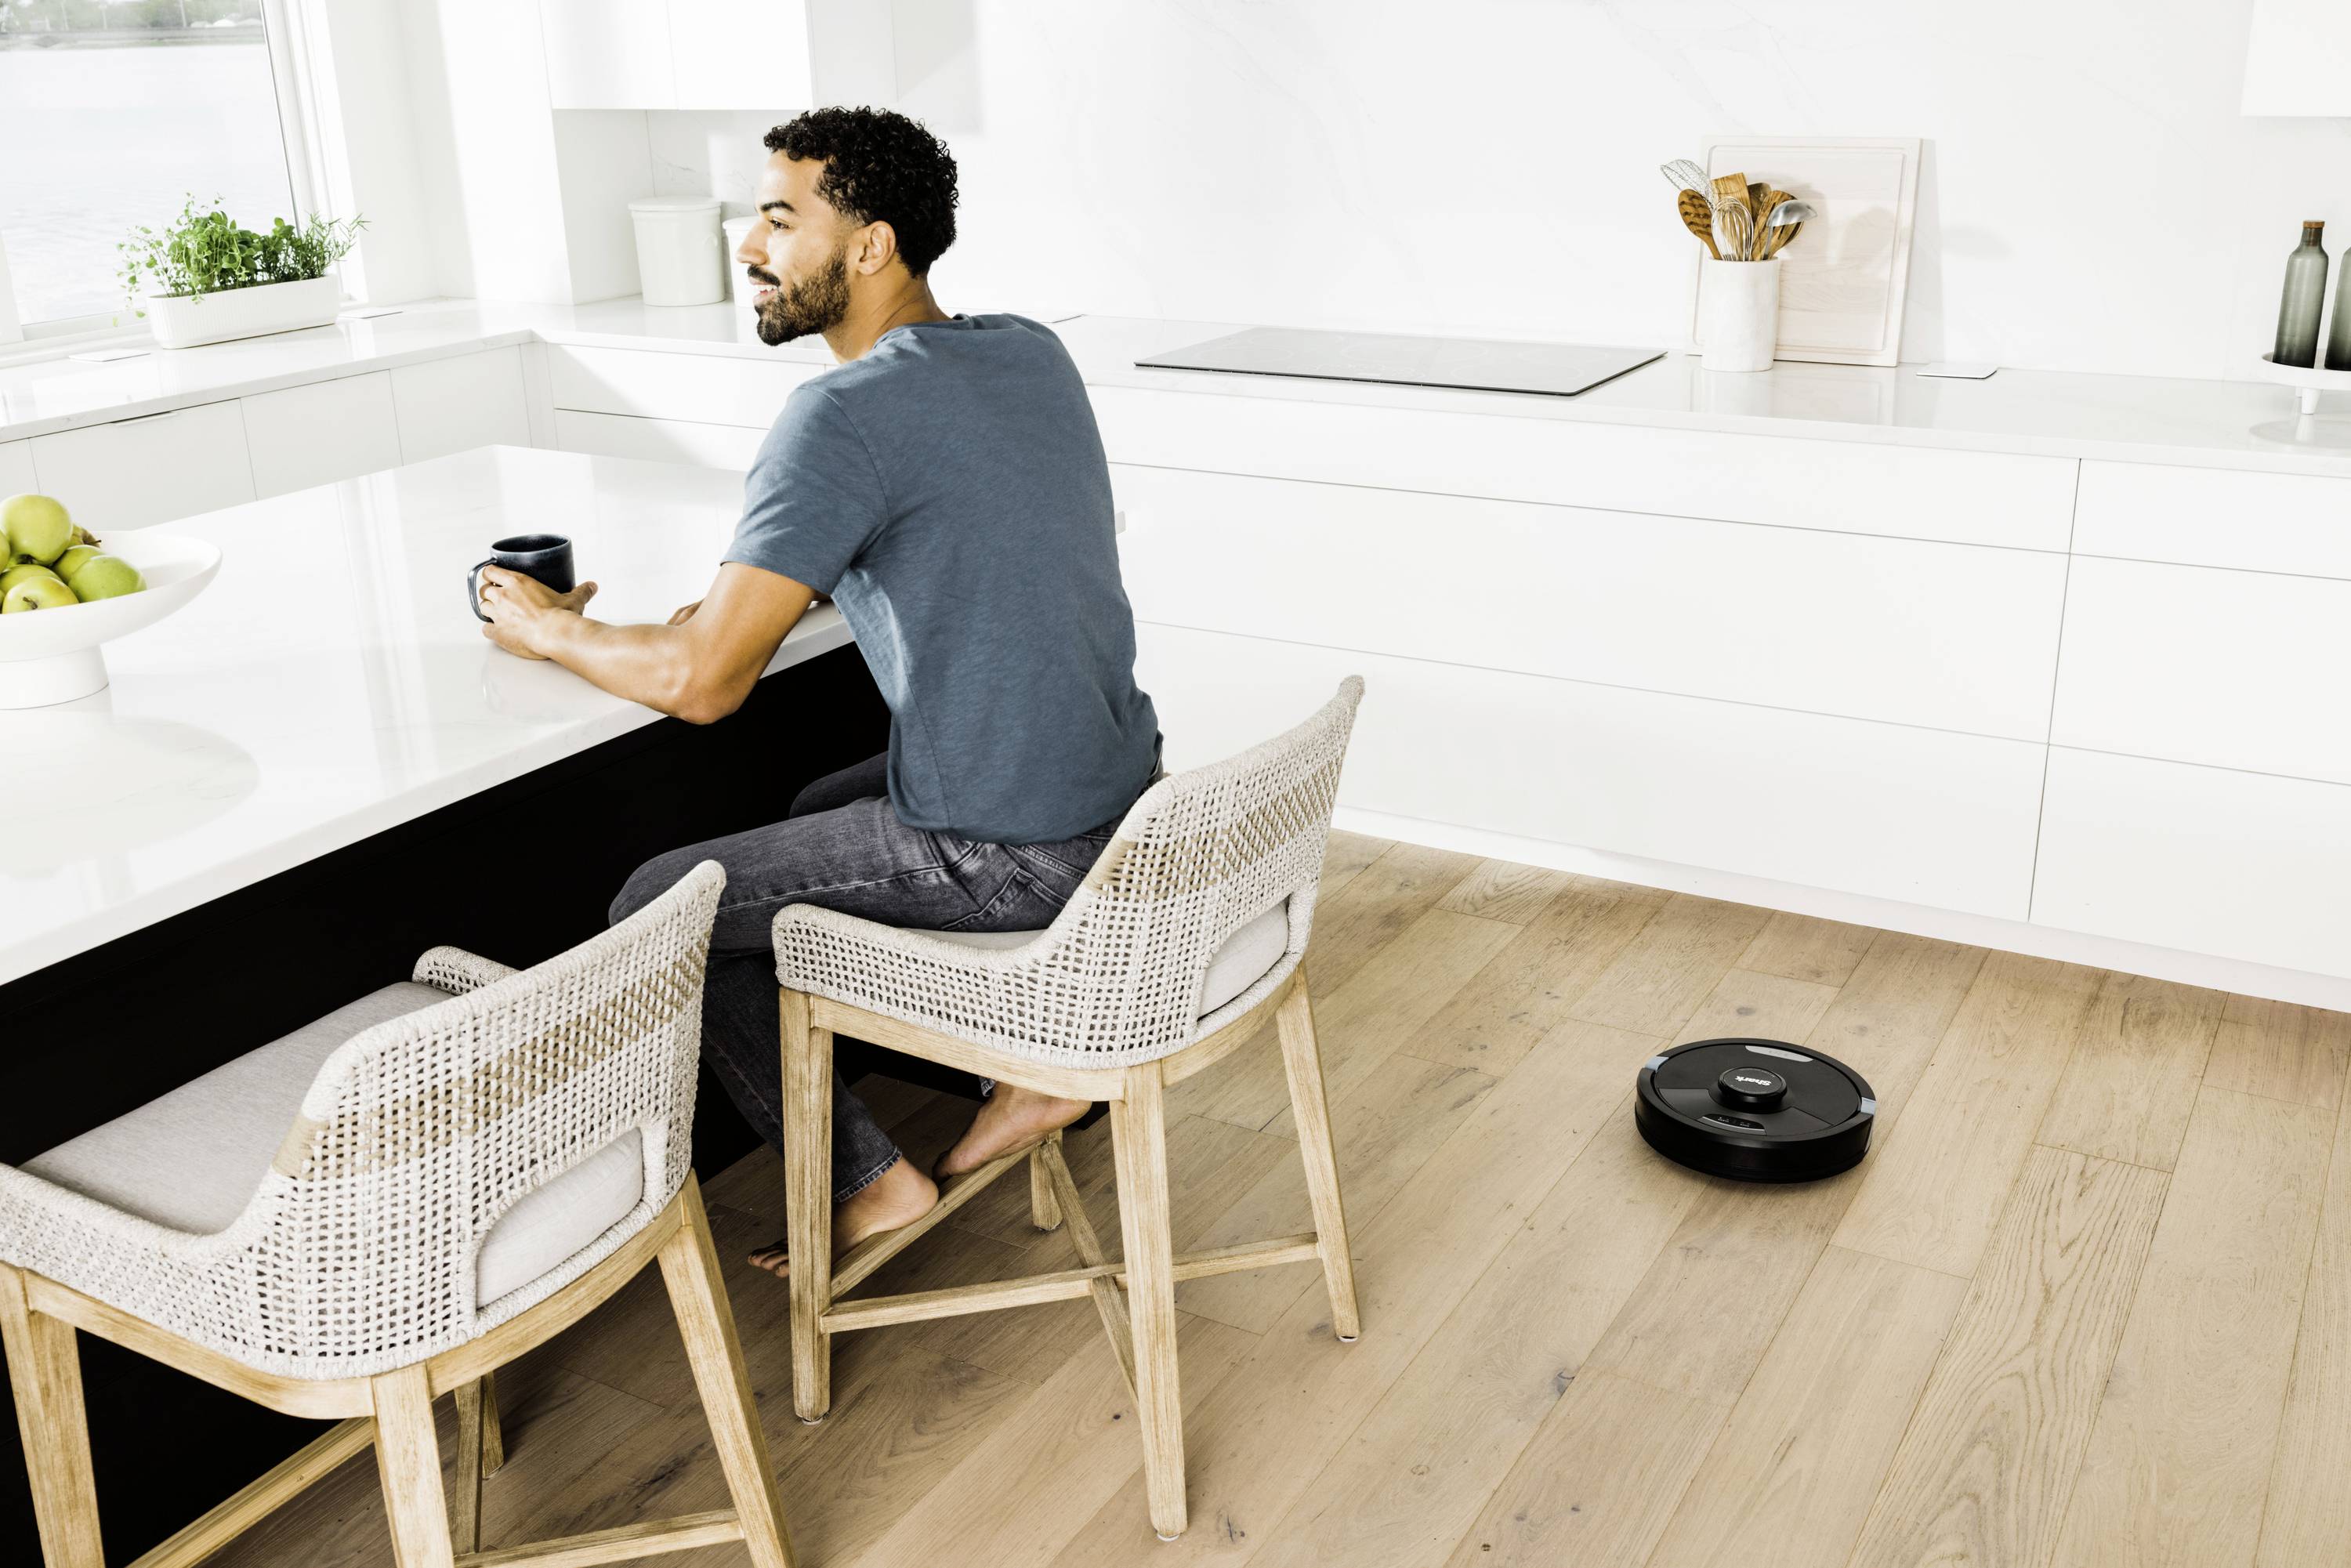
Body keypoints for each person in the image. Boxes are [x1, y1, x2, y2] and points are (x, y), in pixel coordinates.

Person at [474, 106, 1161, 1275]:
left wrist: (549, 630)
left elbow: (702, 685)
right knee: (809, 812)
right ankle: (1019, 1074)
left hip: (1013, 848)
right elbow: (962, 524)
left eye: (781, 220)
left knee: (658, 903)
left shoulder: (841, 413)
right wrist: (762, 595)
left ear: (872, 245)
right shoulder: (1026, 351)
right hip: (1124, 806)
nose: (748, 246)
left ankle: (870, 1180)